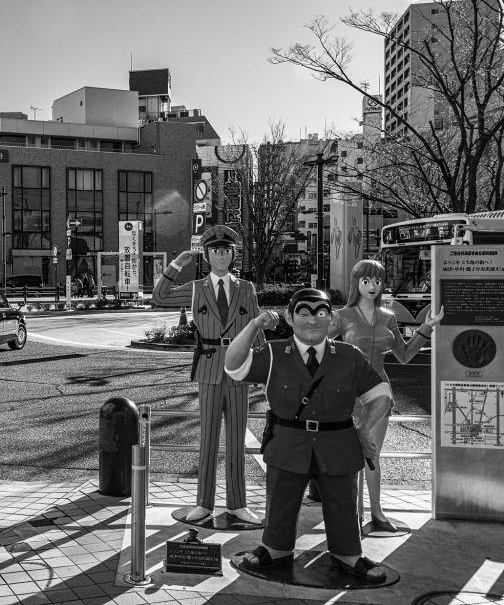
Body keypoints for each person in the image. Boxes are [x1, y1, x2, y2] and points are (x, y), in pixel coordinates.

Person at [225, 288, 393, 583]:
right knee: (281, 499)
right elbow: (234, 367)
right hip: (289, 443)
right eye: (303, 312)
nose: (313, 320)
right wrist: (253, 326)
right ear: (290, 317)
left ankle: (348, 553)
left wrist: (365, 428)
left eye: (321, 312)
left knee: (342, 501)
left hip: (338, 443)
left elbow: (380, 395)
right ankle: (273, 547)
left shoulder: (348, 355)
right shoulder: (276, 353)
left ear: (331, 317)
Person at [151, 225, 264, 524]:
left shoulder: (247, 288)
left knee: (237, 440)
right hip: (210, 367)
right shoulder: (197, 288)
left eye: (226, 250)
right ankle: (204, 503)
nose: (221, 255)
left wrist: (264, 370)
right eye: (215, 250)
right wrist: (178, 264)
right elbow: (160, 295)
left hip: (239, 369)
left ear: (233, 254)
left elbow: (256, 329)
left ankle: (238, 504)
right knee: (208, 439)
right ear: (206, 254)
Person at [325, 259, 443, 531]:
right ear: (356, 283)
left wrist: (427, 328)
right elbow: (320, 349)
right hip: (348, 394)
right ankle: (349, 513)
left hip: (380, 393)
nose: (372, 286)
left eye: (377, 281)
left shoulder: (389, 317)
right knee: (348, 454)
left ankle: (376, 513)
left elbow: (404, 355)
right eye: (366, 280)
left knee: (373, 453)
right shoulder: (342, 316)